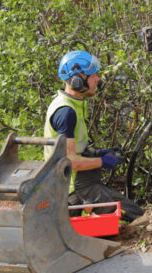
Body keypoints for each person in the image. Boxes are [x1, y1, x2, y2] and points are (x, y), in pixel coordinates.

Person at [44, 50, 144, 222]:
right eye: (93, 75)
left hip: (77, 183)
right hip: (72, 190)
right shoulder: (66, 112)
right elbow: (69, 161)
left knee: (130, 212)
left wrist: (98, 153)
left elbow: (75, 148)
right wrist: (102, 162)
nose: (97, 78)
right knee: (139, 216)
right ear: (77, 80)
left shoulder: (72, 104)